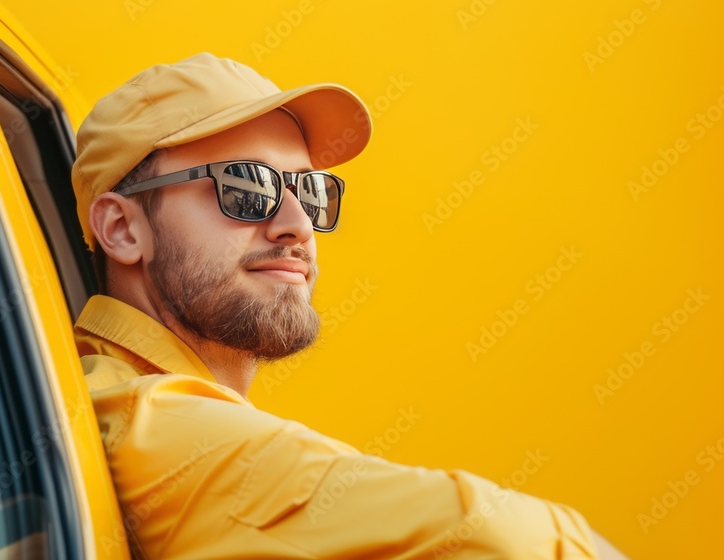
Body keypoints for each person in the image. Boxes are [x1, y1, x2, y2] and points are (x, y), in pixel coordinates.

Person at [71, 53, 626, 559]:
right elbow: (505, 541)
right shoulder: (139, 421)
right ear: (122, 230)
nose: (296, 226)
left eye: (310, 192)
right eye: (246, 187)